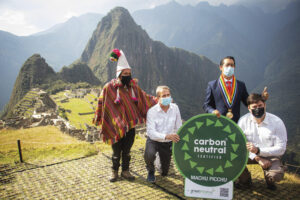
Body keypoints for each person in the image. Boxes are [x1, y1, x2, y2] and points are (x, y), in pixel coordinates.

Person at [93, 49, 157, 182]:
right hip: (115, 126)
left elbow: (145, 98)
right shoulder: (109, 88)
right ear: (119, 74)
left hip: (130, 125)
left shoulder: (134, 88)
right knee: (116, 152)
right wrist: (100, 117)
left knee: (127, 151)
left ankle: (125, 171)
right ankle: (114, 172)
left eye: (129, 73)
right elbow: (102, 102)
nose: (128, 75)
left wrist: (159, 100)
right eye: (125, 73)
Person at [237, 93, 287, 190]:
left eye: (260, 106)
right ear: (249, 108)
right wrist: (258, 157)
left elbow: (281, 148)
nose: (258, 108)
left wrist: (259, 151)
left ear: (265, 105)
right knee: (233, 158)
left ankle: (270, 178)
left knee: (275, 176)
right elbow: (240, 144)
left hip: (271, 156)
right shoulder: (243, 121)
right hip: (250, 155)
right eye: (254, 107)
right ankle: (245, 181)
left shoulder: (277, 122)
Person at [203, 56, 268, 123]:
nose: (230, 67)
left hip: (236, 123)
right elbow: (206, 105)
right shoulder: (212, 85)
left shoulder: (240, 85)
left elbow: (248, 102)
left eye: (232, 65)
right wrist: (212, 111)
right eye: (227, 65)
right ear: (221, 67)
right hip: (218, 122)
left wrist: (262, 98)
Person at [144, 86, 182, 182]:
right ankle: (150, 170)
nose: (166, 98)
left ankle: (159, 160)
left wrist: (176, 138)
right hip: (154, 140)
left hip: (168, 142)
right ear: (157, 99)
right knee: (149, 154)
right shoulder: (152, 112)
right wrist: (166, 136)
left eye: (168, 95)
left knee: (164, 172)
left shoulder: (175, 108)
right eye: (163, 96)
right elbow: (151, 132)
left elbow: (179, 126)